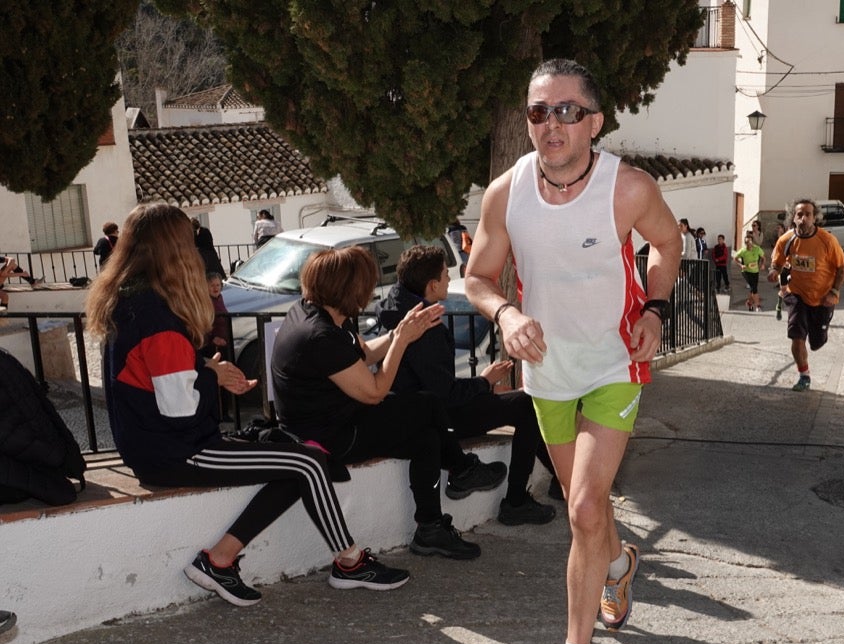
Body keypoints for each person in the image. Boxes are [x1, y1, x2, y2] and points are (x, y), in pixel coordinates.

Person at [465, 58, 682, 644]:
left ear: (594, 120)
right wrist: (505, 315)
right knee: (588, 516)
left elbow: (667, 245)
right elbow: (477, 277)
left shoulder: (629, 189)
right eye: (538, 111)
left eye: (565, 110)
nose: (550, 123)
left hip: (616, 363)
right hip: (548, 375)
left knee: (583, 505)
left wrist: (656, 310)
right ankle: (617, 562)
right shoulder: (505, 193)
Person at [86, 203, 409, 607]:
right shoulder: (157, 316)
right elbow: (180, 409)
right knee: (307, 463)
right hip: (175, 451)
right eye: (189, 240)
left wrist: (205, 369)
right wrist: (210, 376)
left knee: (297, 462)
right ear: (175, 249)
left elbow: (148, 375)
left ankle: (219, 561)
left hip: (156, 444)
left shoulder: (130, 301)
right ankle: (350, 562)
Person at [270, 246, 507, 561]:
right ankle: (461, 469)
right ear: (349, 288)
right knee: (427, 405)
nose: (370, 291)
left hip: (339, 417)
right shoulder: (320, 335)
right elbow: (375, 391)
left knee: (428, 437)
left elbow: (365, 354)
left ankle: (430, 529)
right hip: (328, 436)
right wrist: (403, 340)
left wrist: (401, 331)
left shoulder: (321, 313)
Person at [377, 245, 558, 525]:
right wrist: (484, 382)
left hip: (416, 411)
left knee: (521, 403)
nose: (450, 279)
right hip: (436, 418)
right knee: (525, 405)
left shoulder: (396, 308)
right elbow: (444, 393)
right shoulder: (424, 326)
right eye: (444, 276)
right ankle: (516, 501)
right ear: (432, 284)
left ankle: (560, 481)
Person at [767, 199, 844, 392]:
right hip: (797, 295)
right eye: (799, 214)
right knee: (797, 336)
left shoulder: (827, 240)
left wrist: (834, 291)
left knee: (816, 343)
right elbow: (776, 264)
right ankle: (804, 375)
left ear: (815, 218)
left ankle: (820, 334)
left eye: (808, 214)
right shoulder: (786, 240)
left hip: (823, 298)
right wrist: (773, 272)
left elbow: (842, 266)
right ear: (793, 218)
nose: (803, 218)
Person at [201, 272, 230, 358]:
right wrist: (213, 338)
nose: (215, 288)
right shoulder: (207, 302)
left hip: (224, 341)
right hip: (213, 345)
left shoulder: (219, 298)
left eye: (218, 285)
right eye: (212, 285)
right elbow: (204, 324)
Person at [735, 233, 767, 311]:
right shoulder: (743, 251)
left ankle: (749, 302)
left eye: (749, 242)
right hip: (746, 271)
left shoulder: (757, 249)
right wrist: (741, 265)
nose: (748, 244)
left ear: (752, 242)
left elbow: (763, 258)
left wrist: (762, 265)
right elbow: (735, 258)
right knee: (754, 288)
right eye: (746, 242)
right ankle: (758, 306)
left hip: (755, 271)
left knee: (753, 288)